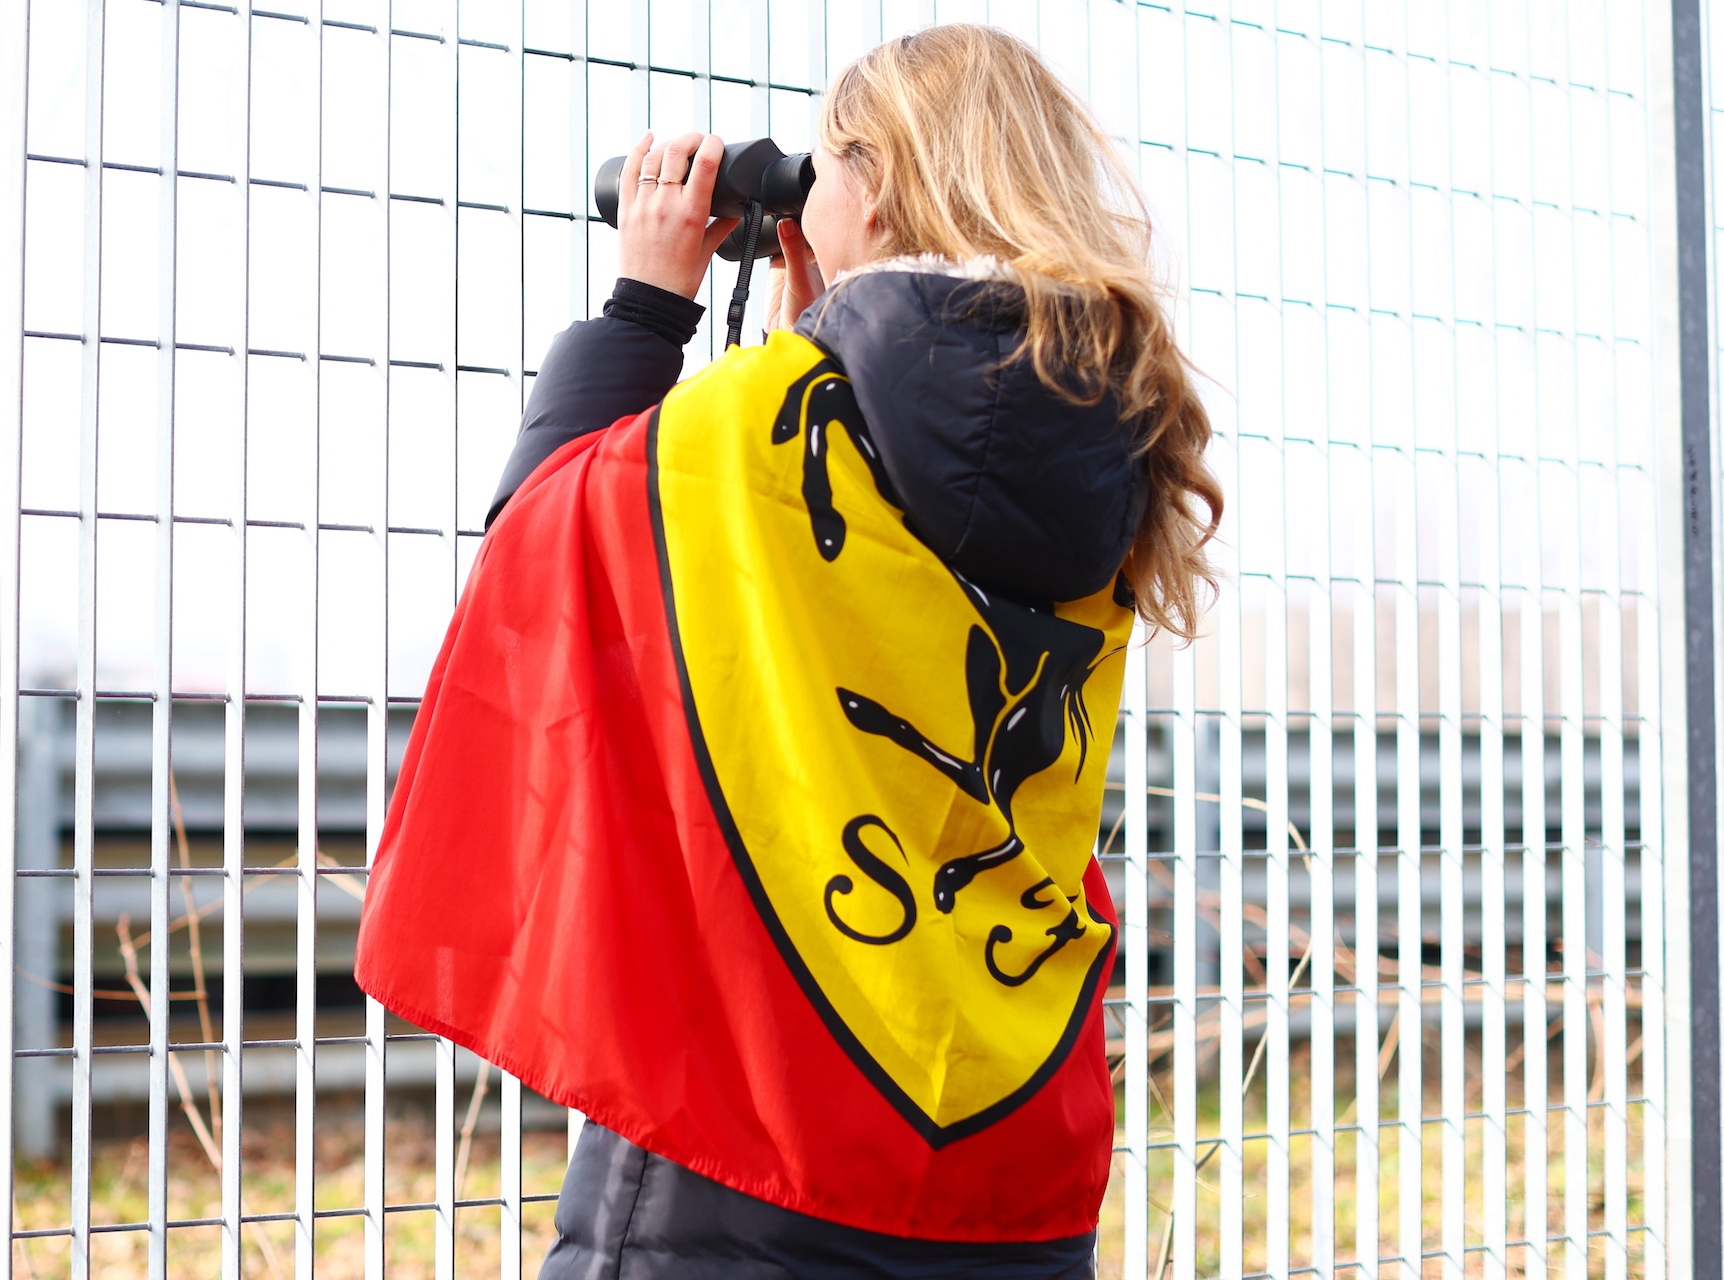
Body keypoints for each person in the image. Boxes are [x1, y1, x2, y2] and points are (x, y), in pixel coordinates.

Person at [356, 24, 1221, 1280]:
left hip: (747, 1153)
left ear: (864, 183)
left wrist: (648, 307)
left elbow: (535, 566)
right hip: (1006, 1169)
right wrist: (836, 331)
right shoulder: (1107, 432)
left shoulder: (759, 429)